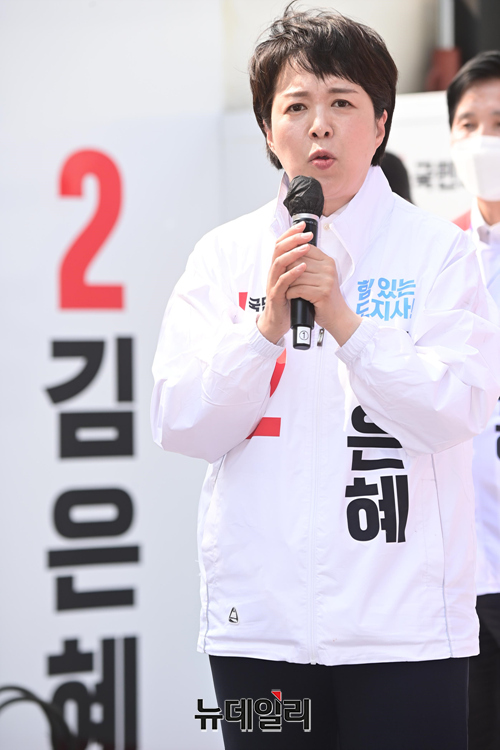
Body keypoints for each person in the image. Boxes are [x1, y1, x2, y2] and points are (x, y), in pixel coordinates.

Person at [151, 8, 500, 749]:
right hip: (257, 631)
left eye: (342, 102)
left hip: (406, 633)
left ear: (380, 124)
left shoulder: (438, 253)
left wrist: (345, 322)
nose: (320, 126)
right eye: (296, 107)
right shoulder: (222, 256)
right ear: (266, 129)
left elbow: (458, 409)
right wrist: (262, 334)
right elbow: (179, 422)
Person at [448, 50, 500, 750]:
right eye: (469, 124)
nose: (484, 139)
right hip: (465, 574)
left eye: (499, 122)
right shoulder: (437, 255)